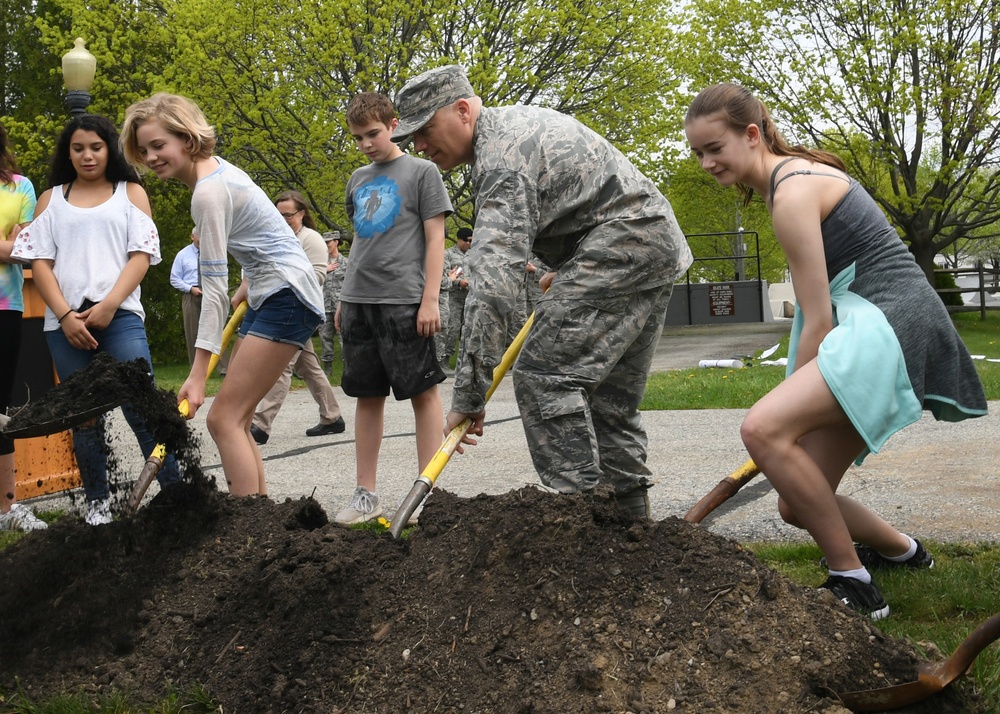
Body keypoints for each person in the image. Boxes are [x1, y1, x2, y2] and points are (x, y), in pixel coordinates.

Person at [684, 83, 988, 619]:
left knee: (763, 428)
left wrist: (788, 415)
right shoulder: (793, 176)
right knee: (797, 503)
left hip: (886, 321)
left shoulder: (792, 193)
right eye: (698, 153)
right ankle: (905, 552)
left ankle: (854, 582)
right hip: (883, 318)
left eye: (715, 147)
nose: (707, 162)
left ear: (752, 135)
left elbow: (818, 319)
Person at [392, 65, 693, 519]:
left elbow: (493, 284)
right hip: (653, 245)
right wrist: (564, 265)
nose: (418, 146)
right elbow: (575, 197)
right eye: (410, 137)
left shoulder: (501, 159)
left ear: (461, 110)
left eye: (424, 130)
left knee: (544, 376)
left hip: (623, 246)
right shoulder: (516, 126)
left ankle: (580, 523)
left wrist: (469, 396)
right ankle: (632, 527)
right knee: (609, 396)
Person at [120, 94, 325, 497]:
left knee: (223, 419)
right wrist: (250, 279)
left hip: (287, 297)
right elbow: (264, 234)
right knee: (238, 416)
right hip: (277, 291)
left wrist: (197, 377)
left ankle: (245, 529)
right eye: (144, 150)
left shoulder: (208, 194)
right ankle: (261, 519)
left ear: (187, 137)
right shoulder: (218, 173)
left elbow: (212, 289)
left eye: (159, 145)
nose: (152, 156)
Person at [11, 114, 182, 525]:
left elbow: (140, 256)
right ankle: (98, 506)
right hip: (65, 326)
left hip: (119, 317)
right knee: (84, 418)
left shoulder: (131, 193)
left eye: (96, 147)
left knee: (143, 408)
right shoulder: (52, 198)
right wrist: (66, 316)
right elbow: (40, 263)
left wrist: (109, 304)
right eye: (78, 148)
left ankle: (179, 495)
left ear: (110, 150)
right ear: (67, 153)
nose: (87, 156)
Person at [334, 91, 451, 524]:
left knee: (423, 394)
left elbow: (435, 239)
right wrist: (345, 298)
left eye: (373, 134)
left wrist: (430, 299)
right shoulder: (357, 177)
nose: (366, 144)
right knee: (367, 396)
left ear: (394, 124)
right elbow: (362, 242)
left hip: (405, 300)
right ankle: (366, 494)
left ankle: (427, 495)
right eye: (358, 137)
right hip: (358, 301)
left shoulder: (423, 172)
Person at [245, 190, 345, 444]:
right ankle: (332, 417)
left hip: (297, 309)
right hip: (276, 309)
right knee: (309, 367)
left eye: (288, 215)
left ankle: (260, 424)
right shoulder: (275, 237)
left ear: (301, 214)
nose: (283, 219)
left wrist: (280, 280)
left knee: (281, 367)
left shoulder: (310, 239)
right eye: (278, 215)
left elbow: (318, 276)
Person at [0, 121, 47, 532]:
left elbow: (25, 249)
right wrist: (6, 244)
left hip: (6, 307)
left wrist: (14, 247)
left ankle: (6, 510)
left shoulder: (20, 187)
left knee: (0, 410)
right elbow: (10, 245)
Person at [437, 226, 472, 368]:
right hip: (454, 298)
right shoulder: (448, 254)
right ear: (459, 239)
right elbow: (445, 274)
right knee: (452, 329)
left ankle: (464, 362)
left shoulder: (473, 254)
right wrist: (458, 282)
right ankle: (445, 358)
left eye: (471, 241)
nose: (468, 243)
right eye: (466, 240)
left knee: (468, 329)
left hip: (470, 297)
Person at [170, 227, 202, 365]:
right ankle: (195, 367)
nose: (202, 239)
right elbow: (174, 279)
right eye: (199, 235)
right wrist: (190, 289)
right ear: (192, 237)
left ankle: (223, 368)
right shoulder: (182, 255)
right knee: (192, 331)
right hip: (191, 295)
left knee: (215, 329)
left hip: (210, 293)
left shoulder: (212, 253)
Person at [319, 230, 349, 375]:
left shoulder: (346, 263)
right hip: (324, 306)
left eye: (328, 242)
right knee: (325, 338)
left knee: (344, 338)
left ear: (336, 242)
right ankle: (328, 370)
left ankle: (347, 369)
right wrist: (325, 269)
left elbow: (350, 285)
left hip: (340, 307)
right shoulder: (319, 263)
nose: (325, 246)